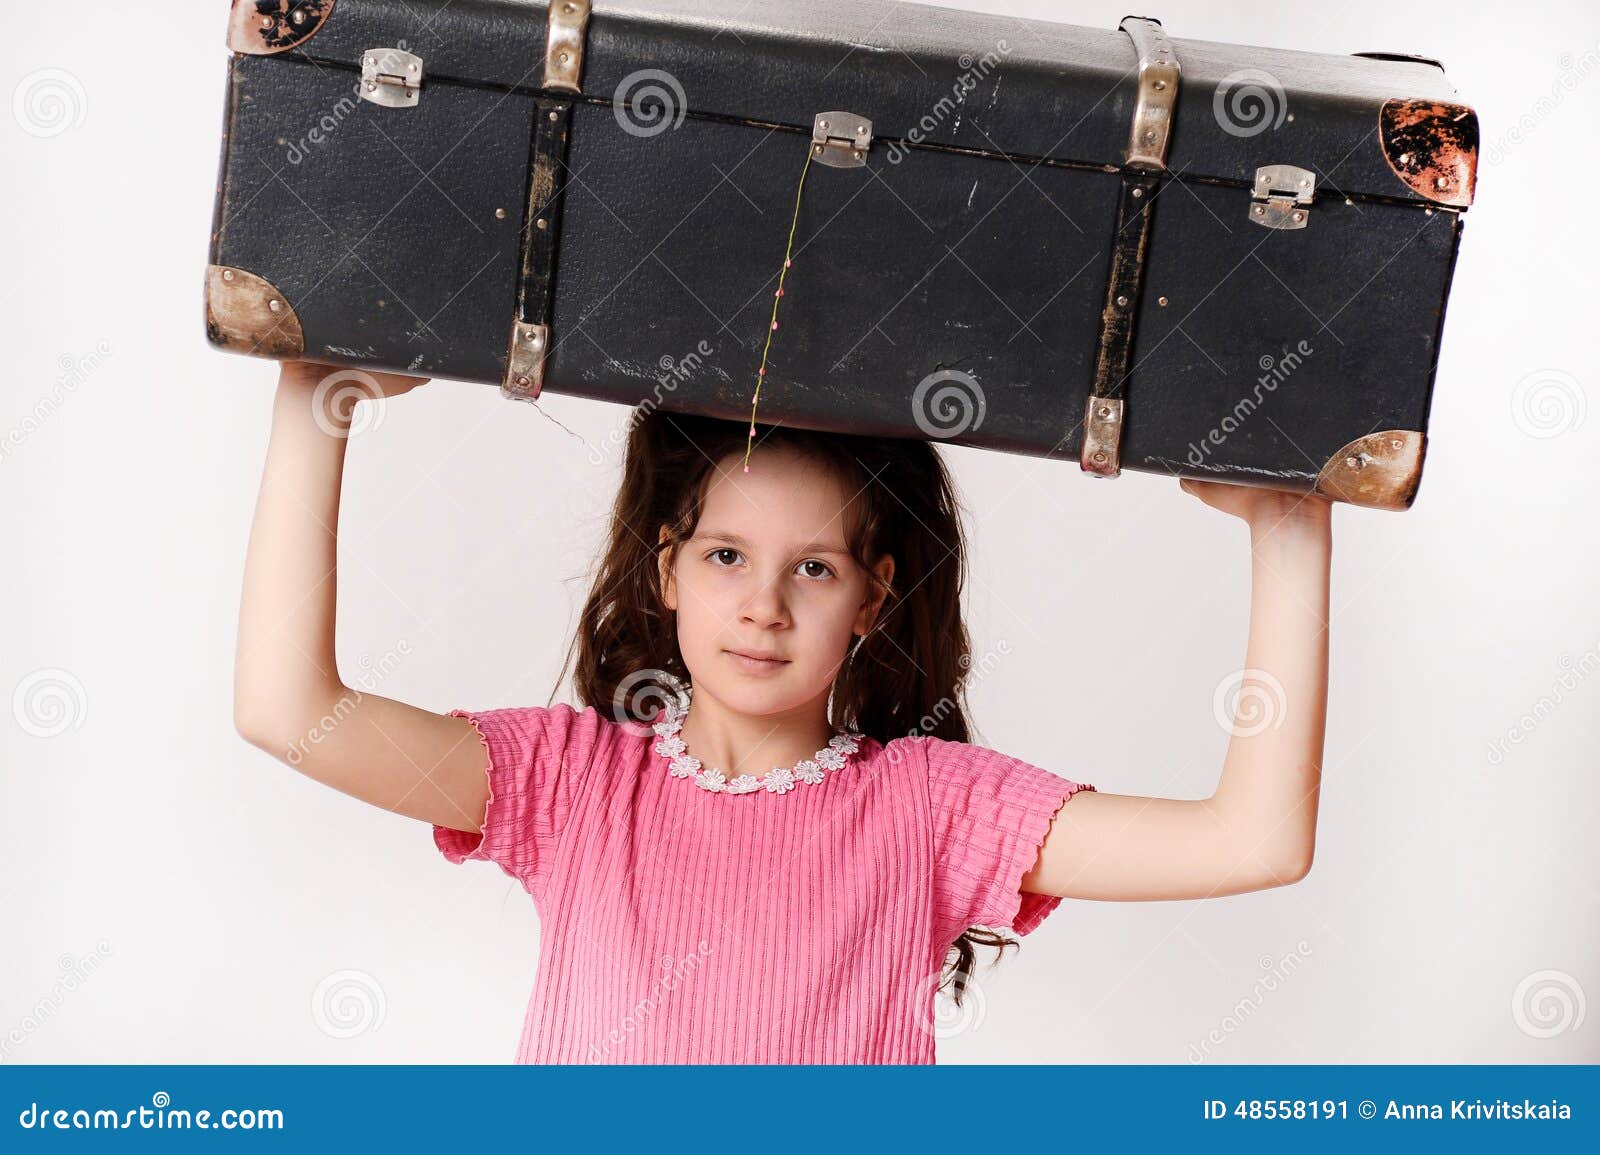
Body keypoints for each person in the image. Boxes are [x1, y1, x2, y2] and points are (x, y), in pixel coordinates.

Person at [234, 359, 1332, 1064]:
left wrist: (1288, 531)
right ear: (666, 570)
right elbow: (288, 710)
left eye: (813, 569)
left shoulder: (931, 808)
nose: (761, 607)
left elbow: (1254, 841)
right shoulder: (570, 781)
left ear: (872, 598)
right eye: (725, 557)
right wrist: (312, 396)